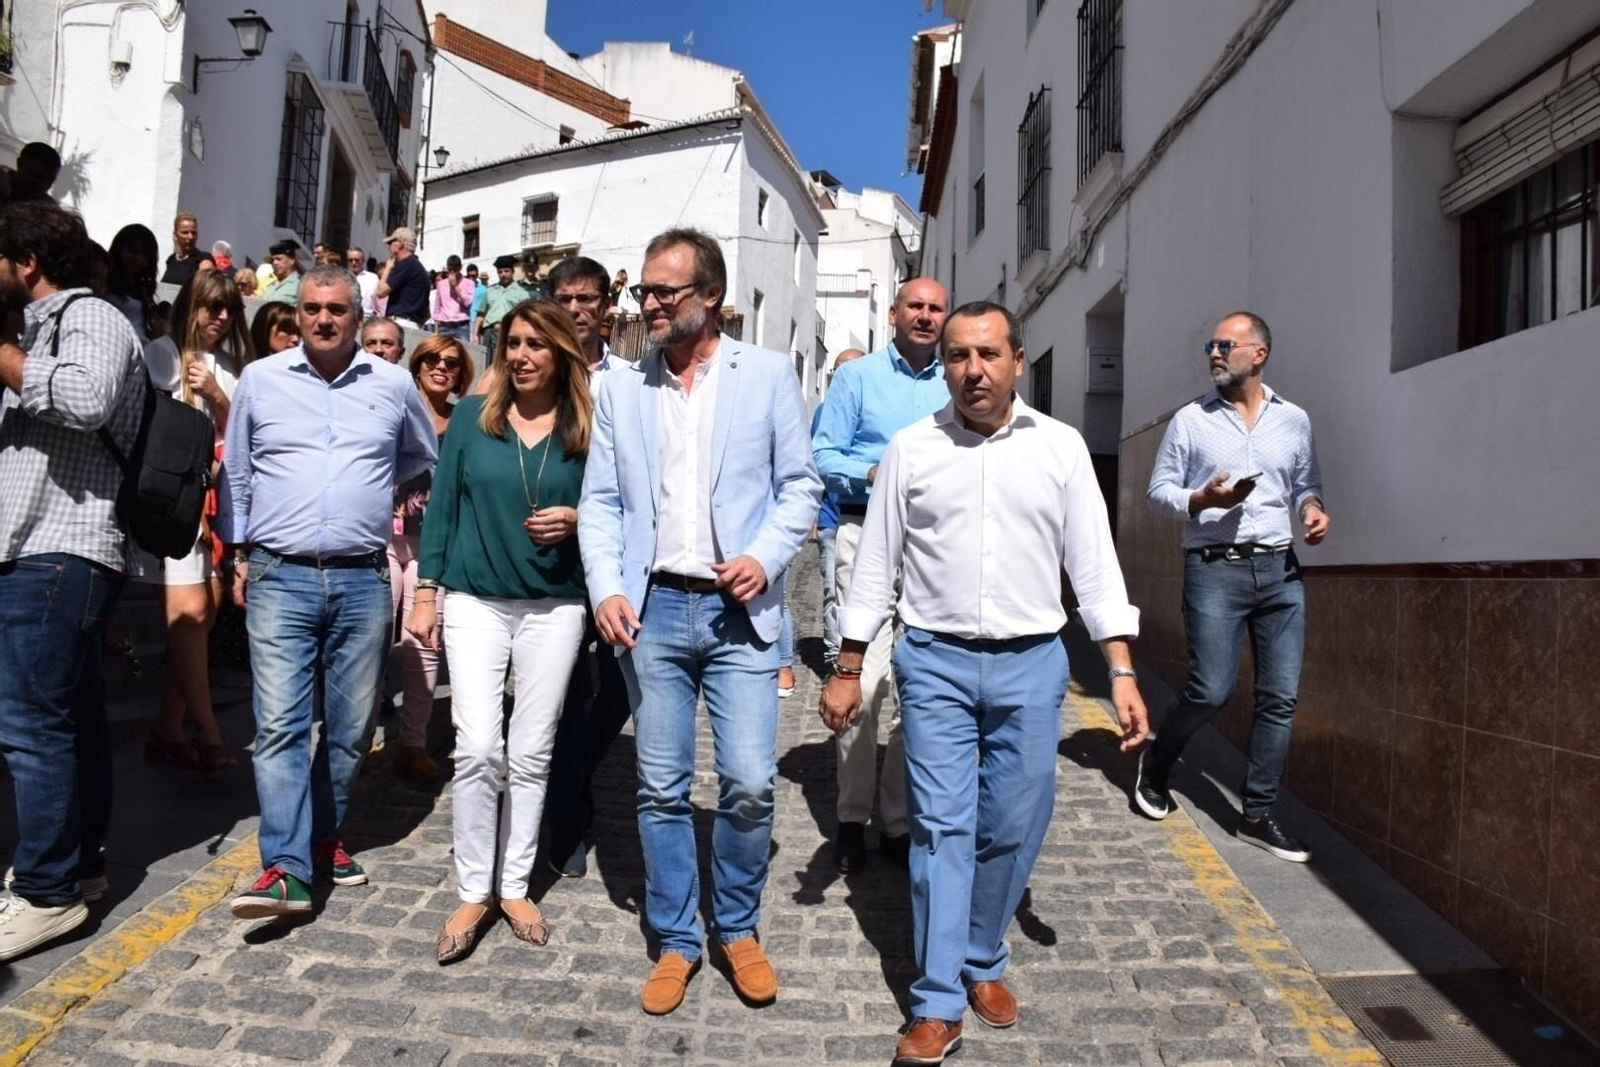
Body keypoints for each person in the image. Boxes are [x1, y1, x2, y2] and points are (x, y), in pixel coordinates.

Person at [821, 302, 1149, 1065]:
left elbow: (1094, 565)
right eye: (959, 356)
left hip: (1033, 662)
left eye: (988, 354)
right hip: (934, 660)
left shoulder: (1060, 447)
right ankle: (937, 999)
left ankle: (981, 950)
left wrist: (1122, 669)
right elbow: (875, 565)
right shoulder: (911, 448)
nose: (973, 369)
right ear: (945, 366)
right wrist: (849, 665)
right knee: (941, 829)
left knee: (1014, 821)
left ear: (1017, 360)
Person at [578, 228, 821, 1015]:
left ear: (710, 295)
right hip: (651, 612)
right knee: (660, 786)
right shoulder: (622, 389)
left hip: (738, 613)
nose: (647, 303)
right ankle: (678, 935)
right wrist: (607, 588)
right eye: (643, 290)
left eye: (664, 291)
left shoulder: (767, 375)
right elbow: (601, 503)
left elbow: (800, 487)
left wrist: (765, 556)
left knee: (748, 780)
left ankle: (737, 926)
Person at [219, 264, 438, 918]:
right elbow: (237, 472)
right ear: (298, 312)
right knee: (280, 725)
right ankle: (285, 867)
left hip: (362, 576)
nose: (322, 319)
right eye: (312, 308)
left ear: (357, 314)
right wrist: (238, 553)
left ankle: (322, 837)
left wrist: (364, 487)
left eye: (336, 309)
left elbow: (419, 454)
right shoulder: (262, 379)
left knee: (350, 728)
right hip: (278, 572)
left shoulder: (392, 383)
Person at [407, 301, 591, 962]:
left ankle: (514, 885)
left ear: (561, 353)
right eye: (512, 343)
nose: (521, 355)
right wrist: (425, 591)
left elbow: (617, 506)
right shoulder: (470, 417)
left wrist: (577, 518)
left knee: (533, 750)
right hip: (475, 600)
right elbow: (442, 511)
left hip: (556, 605)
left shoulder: (588, 426)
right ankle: (472, 890)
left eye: (536, 344)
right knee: (480, 746)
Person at [0, 202, 146, 960]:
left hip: (61, 549)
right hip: (39, 547)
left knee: (31, 725)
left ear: (27, 262)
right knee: (71, 718)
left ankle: (45, 889)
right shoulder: (34, 330)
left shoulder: (89, 317)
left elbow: (87, 399)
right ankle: (79, 867)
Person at [1138, 311, 1329, 862]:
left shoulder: (1293, 420)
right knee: (1211, 689)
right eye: (1211, 346)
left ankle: (1257, 814)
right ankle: (1158, 762)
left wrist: (1312, 509)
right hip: (1214, 568)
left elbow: (1306, 483)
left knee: (1280, 697)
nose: (1215, 354)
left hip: (1280, 571)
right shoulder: (1190, 420)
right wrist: (1203, 499)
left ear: (1258, 354)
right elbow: (1157, 492)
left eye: (1226, 345)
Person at [810, 279, 950, 874]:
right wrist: (874, 473)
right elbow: (823, 454)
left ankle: (896, 819)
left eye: (936, 308)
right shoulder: (857, 378)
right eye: (915, 306)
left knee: (917, 685)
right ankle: (851, 817)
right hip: (864, 531)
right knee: (864, 684)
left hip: (936, 545)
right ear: (893, 313)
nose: (925, 315)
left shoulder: (955, 380)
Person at [136, 271, 252, 772]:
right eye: (211, 306)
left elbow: (242, 436)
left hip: (210, 506)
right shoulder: (161, 353)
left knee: (206, 612)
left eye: (228, 308)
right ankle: (207, 732)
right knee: (189, 613)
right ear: (191, 305)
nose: (220, 317)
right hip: (170, 504)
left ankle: (167, 726)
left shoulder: (227, 367)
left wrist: (219, 396)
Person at [542, 255, 627, 878]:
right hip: (554, 562)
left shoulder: (629, 381)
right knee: (568, 694)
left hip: (619, 561)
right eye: (565, 299)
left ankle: (571, 769)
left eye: (587, 299)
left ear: (606, 307)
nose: (576, 310)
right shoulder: (533, 374)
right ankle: (569, 820)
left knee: (621, 687)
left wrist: (589, 517)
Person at [386, 333, 473, 786]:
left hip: (433, 548)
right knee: (370, 639)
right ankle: (357, 735)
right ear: (417, 365)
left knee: (422, 642)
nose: (441, 367)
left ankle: (412, 743)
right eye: (433, 359)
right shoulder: (396, 408)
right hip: (382, 538)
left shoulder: (465, 421)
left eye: (452, 363)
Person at [814, 348, 866, 668]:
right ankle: (836, 660)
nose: (842, 378)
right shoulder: (823, 412)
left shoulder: (874, 404)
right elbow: (813, 463)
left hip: (869, 516)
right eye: (837, 372)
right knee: (833, 593)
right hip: (832, 518)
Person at [104, 224, 161, 343]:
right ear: (120, 248)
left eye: (145, 255)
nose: (139, 259)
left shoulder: (141, 288)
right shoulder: (105, 282)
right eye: (134, 251)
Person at [472, 254, 528, 357]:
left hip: (509, 332)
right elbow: (481, 314)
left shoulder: (522, 293)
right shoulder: (489, 291)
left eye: (506, 271)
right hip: (490, 333)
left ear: (512, 272)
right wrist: (475, 334)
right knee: (488, 362)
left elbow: (525, 318)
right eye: (500, 272)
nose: (503, 274)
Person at [377, 226, 429, 329]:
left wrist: (388, 268)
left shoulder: (406, 264)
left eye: (391, 242)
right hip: (413, 324)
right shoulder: (419, 268)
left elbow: (381, 292)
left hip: (401, 323)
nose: (388, 247)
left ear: (400, 244)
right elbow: (427, 313)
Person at [160, 212, 214, 287]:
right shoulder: (171, 259)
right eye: (185, 232)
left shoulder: (204, 259)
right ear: (175, 235)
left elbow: (206, 287)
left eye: (194, 233)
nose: (190, 237)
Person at [432, 255, 473, 342]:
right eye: (450, 269)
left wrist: (455, 286)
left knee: (463, 350)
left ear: (460, 268)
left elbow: (467, 302)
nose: (452, 272)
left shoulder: (469, 283)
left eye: (455, 269)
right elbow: (437, 307)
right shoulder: (441, 284)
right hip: (444, 325)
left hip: (461, 325)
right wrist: (436, 330)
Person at [260, 239, 302, 305]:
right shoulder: (271, 286)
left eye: (279, 259)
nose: (274, 263)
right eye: (272, 260)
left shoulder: (300, 285)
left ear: (291, 260)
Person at [347, 247, 378, 318]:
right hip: (348, 316)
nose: (353, 263)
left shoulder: (373, 278)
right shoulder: (343, 276)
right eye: (350, 260)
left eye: (357, 260)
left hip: (366, 316)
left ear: (363, 261)